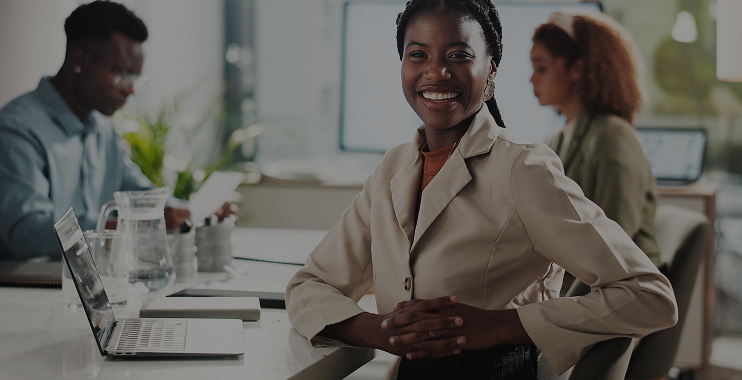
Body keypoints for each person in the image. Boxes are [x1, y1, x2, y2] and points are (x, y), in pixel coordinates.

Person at [285, 1, 677, 379]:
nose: (436, 72)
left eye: (458, 55)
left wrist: (500, 325)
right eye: (418, 55)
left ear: (490, 68)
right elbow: (309, 285)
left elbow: (650, 296)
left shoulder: (522, 168)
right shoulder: (392, 169)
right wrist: (377, 330)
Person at [0, 1, 233, 274]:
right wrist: (136, 223)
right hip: (1, 284)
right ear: (80, 60)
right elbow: (28, 234)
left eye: (136, 78)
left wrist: (192, 212)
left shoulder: (102, 132)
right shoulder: (15, 131)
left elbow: (143, 197)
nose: (130, 91)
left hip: (80, 281)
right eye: (122, 74)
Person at [531, 12, 661, 269]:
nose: (532, 78)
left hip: (623, 288)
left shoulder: (613, 136)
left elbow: (614, 245)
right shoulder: (556, 138)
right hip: (581, 277)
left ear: (577, 68)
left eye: (541, 68)